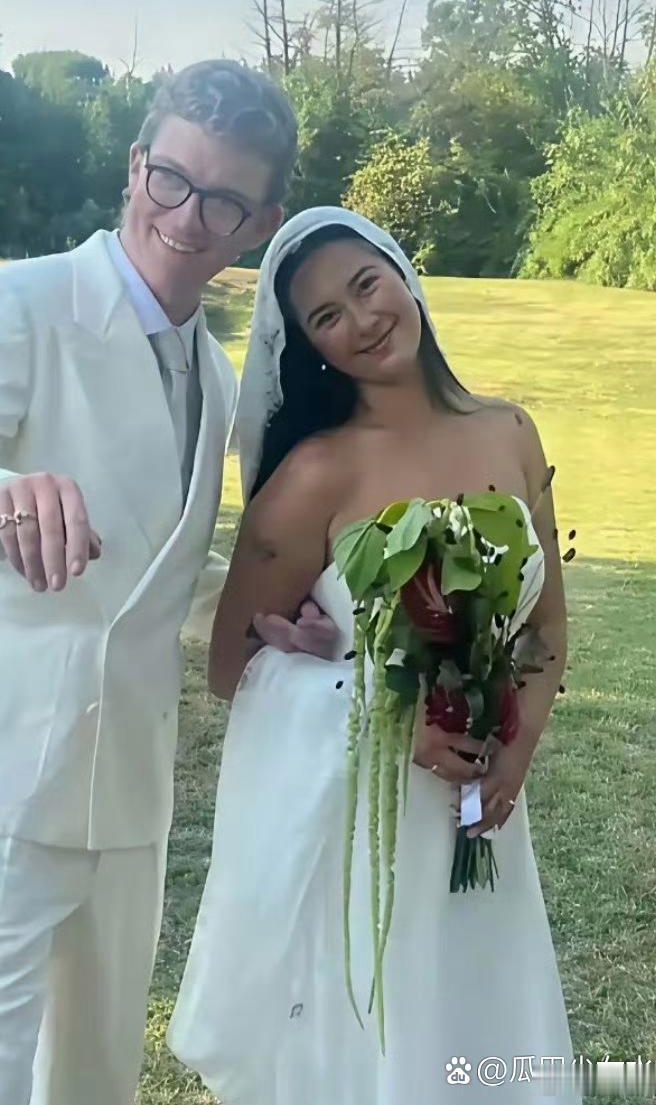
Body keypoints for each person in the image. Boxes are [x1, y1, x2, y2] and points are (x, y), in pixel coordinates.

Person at [0, 61, 336, 1105]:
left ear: (258, 224)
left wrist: (262, 614)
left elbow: (150, 569)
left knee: (97, 1083)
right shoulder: (17, 304)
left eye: (223, 200)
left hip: (126, 798)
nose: (186, 218)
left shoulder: (218, 377)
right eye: (171, 179)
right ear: (136, 166)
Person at [168, 207, 581, 1103]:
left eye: (366, 285)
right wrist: (384, 714)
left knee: (479, 1029)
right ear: (311, 346)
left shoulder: (511, 430)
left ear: (404, 275)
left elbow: (545, 629)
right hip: (368, 826)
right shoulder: (314, 475)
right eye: (326, 316)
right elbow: (231, 667)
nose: (361, 320)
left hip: (484, 813)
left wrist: (513, 752)